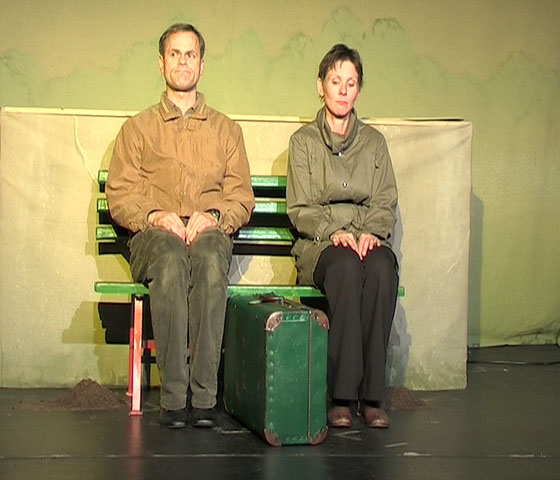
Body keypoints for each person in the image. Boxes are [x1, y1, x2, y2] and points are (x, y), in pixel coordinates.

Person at [106, 23, 255, 429]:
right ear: (161, 63)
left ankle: (204, 397)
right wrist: (154, 215)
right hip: (153, 237)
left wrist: (216, 217)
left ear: (202, 66)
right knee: (171, 258)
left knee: (209, 257)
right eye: (175, 54)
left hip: (208, 233)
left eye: (190, 55)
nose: (183, 62)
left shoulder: (226, 130)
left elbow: (241, 195)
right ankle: (173, 398)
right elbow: (120, 193)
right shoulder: (138, 129)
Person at [286, 44, 399, 429]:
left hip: (366, 239)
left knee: (381, 268)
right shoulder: (303, 142)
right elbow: (300, 207)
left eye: (351, 83)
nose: (343, 90)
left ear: (358, 90)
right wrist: (332, 232)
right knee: (347, 268)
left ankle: (373, 396)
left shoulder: (374, 143)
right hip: (321, 245)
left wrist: (372, 233)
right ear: (321, 87)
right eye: (336, 81)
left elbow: (385, 199)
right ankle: (342, 395)